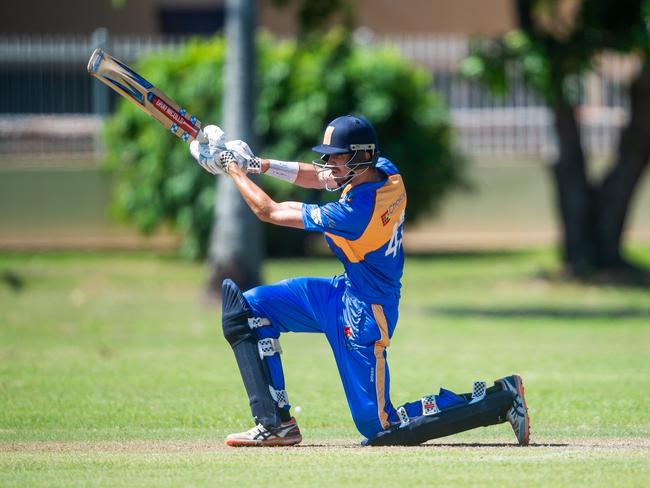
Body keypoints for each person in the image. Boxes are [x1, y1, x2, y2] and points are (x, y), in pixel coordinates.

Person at [189, 115, 529, 447]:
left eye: (339, 158)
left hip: (367, 313)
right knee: (247, 308)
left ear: (364, 156)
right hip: (342, 292)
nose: (330, 166)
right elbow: (318, 177)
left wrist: (230, 168)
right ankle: (276, 423)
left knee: (380, 427)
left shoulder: (355, 215)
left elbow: (270, 211)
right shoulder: (386, 172)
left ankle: (500, 398)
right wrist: (257, 165)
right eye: (330, 157)